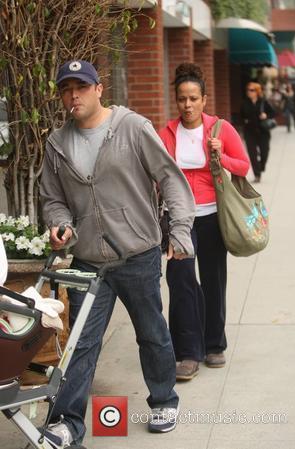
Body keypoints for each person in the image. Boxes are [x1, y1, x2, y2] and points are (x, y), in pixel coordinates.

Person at [40, 60, 196, 447]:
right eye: (65, 89)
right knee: (80, 343)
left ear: (98, 89)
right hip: (89, 260)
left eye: (80, 87)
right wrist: (59, 223)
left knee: (152, 333)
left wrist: (179, 232)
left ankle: (163, 400)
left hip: (137, 254)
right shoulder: (57, 143)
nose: (73, 95)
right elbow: (53, 199)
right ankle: (67, 424)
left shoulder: (133, 128)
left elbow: (170, 180)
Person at [159, 63, 250, 381]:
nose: (187, 105)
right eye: (182, 98)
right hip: (179, 221)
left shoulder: (219, 129)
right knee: (181, 280)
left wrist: (220, 155)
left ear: (204, 99)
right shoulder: (166, 133)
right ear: (176, 99)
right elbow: (156, 175)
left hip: (212, 216)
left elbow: (243, 166)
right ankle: (187, 352)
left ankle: (214, 344)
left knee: (213, 281)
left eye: (193, 98)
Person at [240, 82, 275, 183]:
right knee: (252, 154)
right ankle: (257, 175)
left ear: (257, 91)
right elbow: (241, 117)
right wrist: (244, 122)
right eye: (248, 90)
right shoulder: (244, 103)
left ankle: (261, 166)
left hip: (263, 131)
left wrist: (266, 115)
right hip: (249, 132)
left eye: (252, 90)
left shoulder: (263, 102)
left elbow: (273, 113)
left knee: (265, 152)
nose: (249, 92)